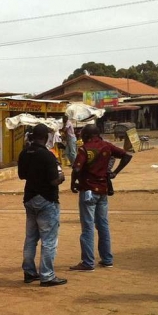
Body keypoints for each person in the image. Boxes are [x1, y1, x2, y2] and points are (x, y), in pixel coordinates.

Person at [69, 124, 132, 271]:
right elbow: (127, 156)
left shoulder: (85, 149)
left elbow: (77, 168)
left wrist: (73, 183)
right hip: (103, 190)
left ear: (87, 136)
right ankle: (107, 259)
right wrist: (115, 172)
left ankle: (88, 262)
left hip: (88, 190)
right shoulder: (107, 146)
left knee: (88, 227)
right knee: (103, 225)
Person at [18, 123, 67, 287]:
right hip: (47, 199)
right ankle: (47, 275)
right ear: (46, 137)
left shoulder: (25, 153)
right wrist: (62, 177)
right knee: (49, 240)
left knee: (31, 238)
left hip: (30, 198)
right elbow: (54, 180)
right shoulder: (47, 155)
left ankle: (30, 272)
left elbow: (21, 175)